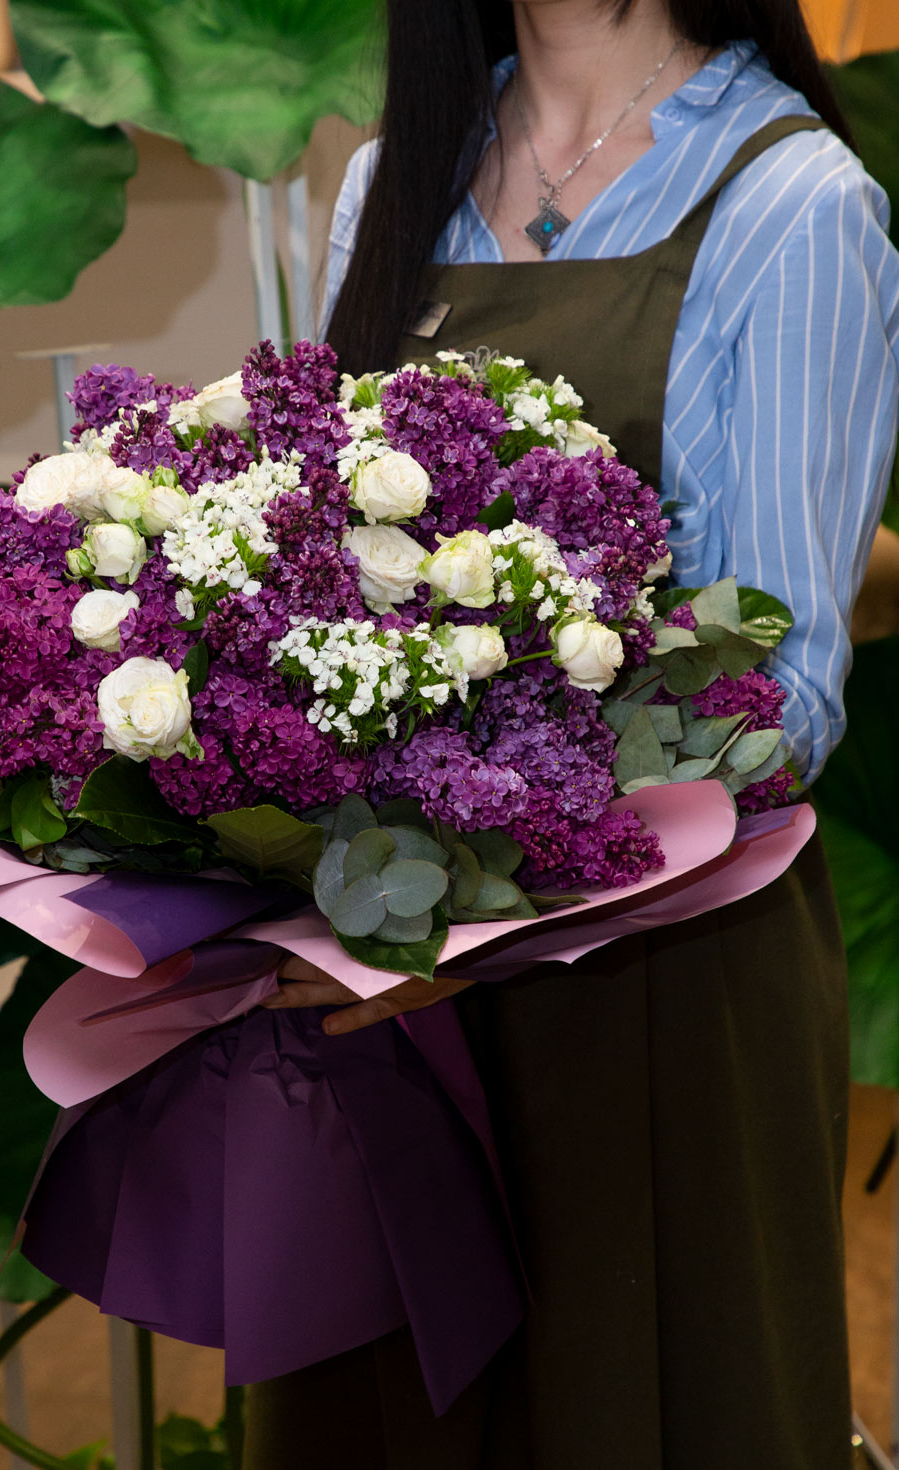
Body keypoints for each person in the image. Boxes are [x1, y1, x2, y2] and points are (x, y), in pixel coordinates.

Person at [246, 2, 899, 1466]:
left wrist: (469, 892)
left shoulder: (789, 201)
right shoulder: (392, 183)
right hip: (381, 994)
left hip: (658, 995)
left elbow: (774, 696)